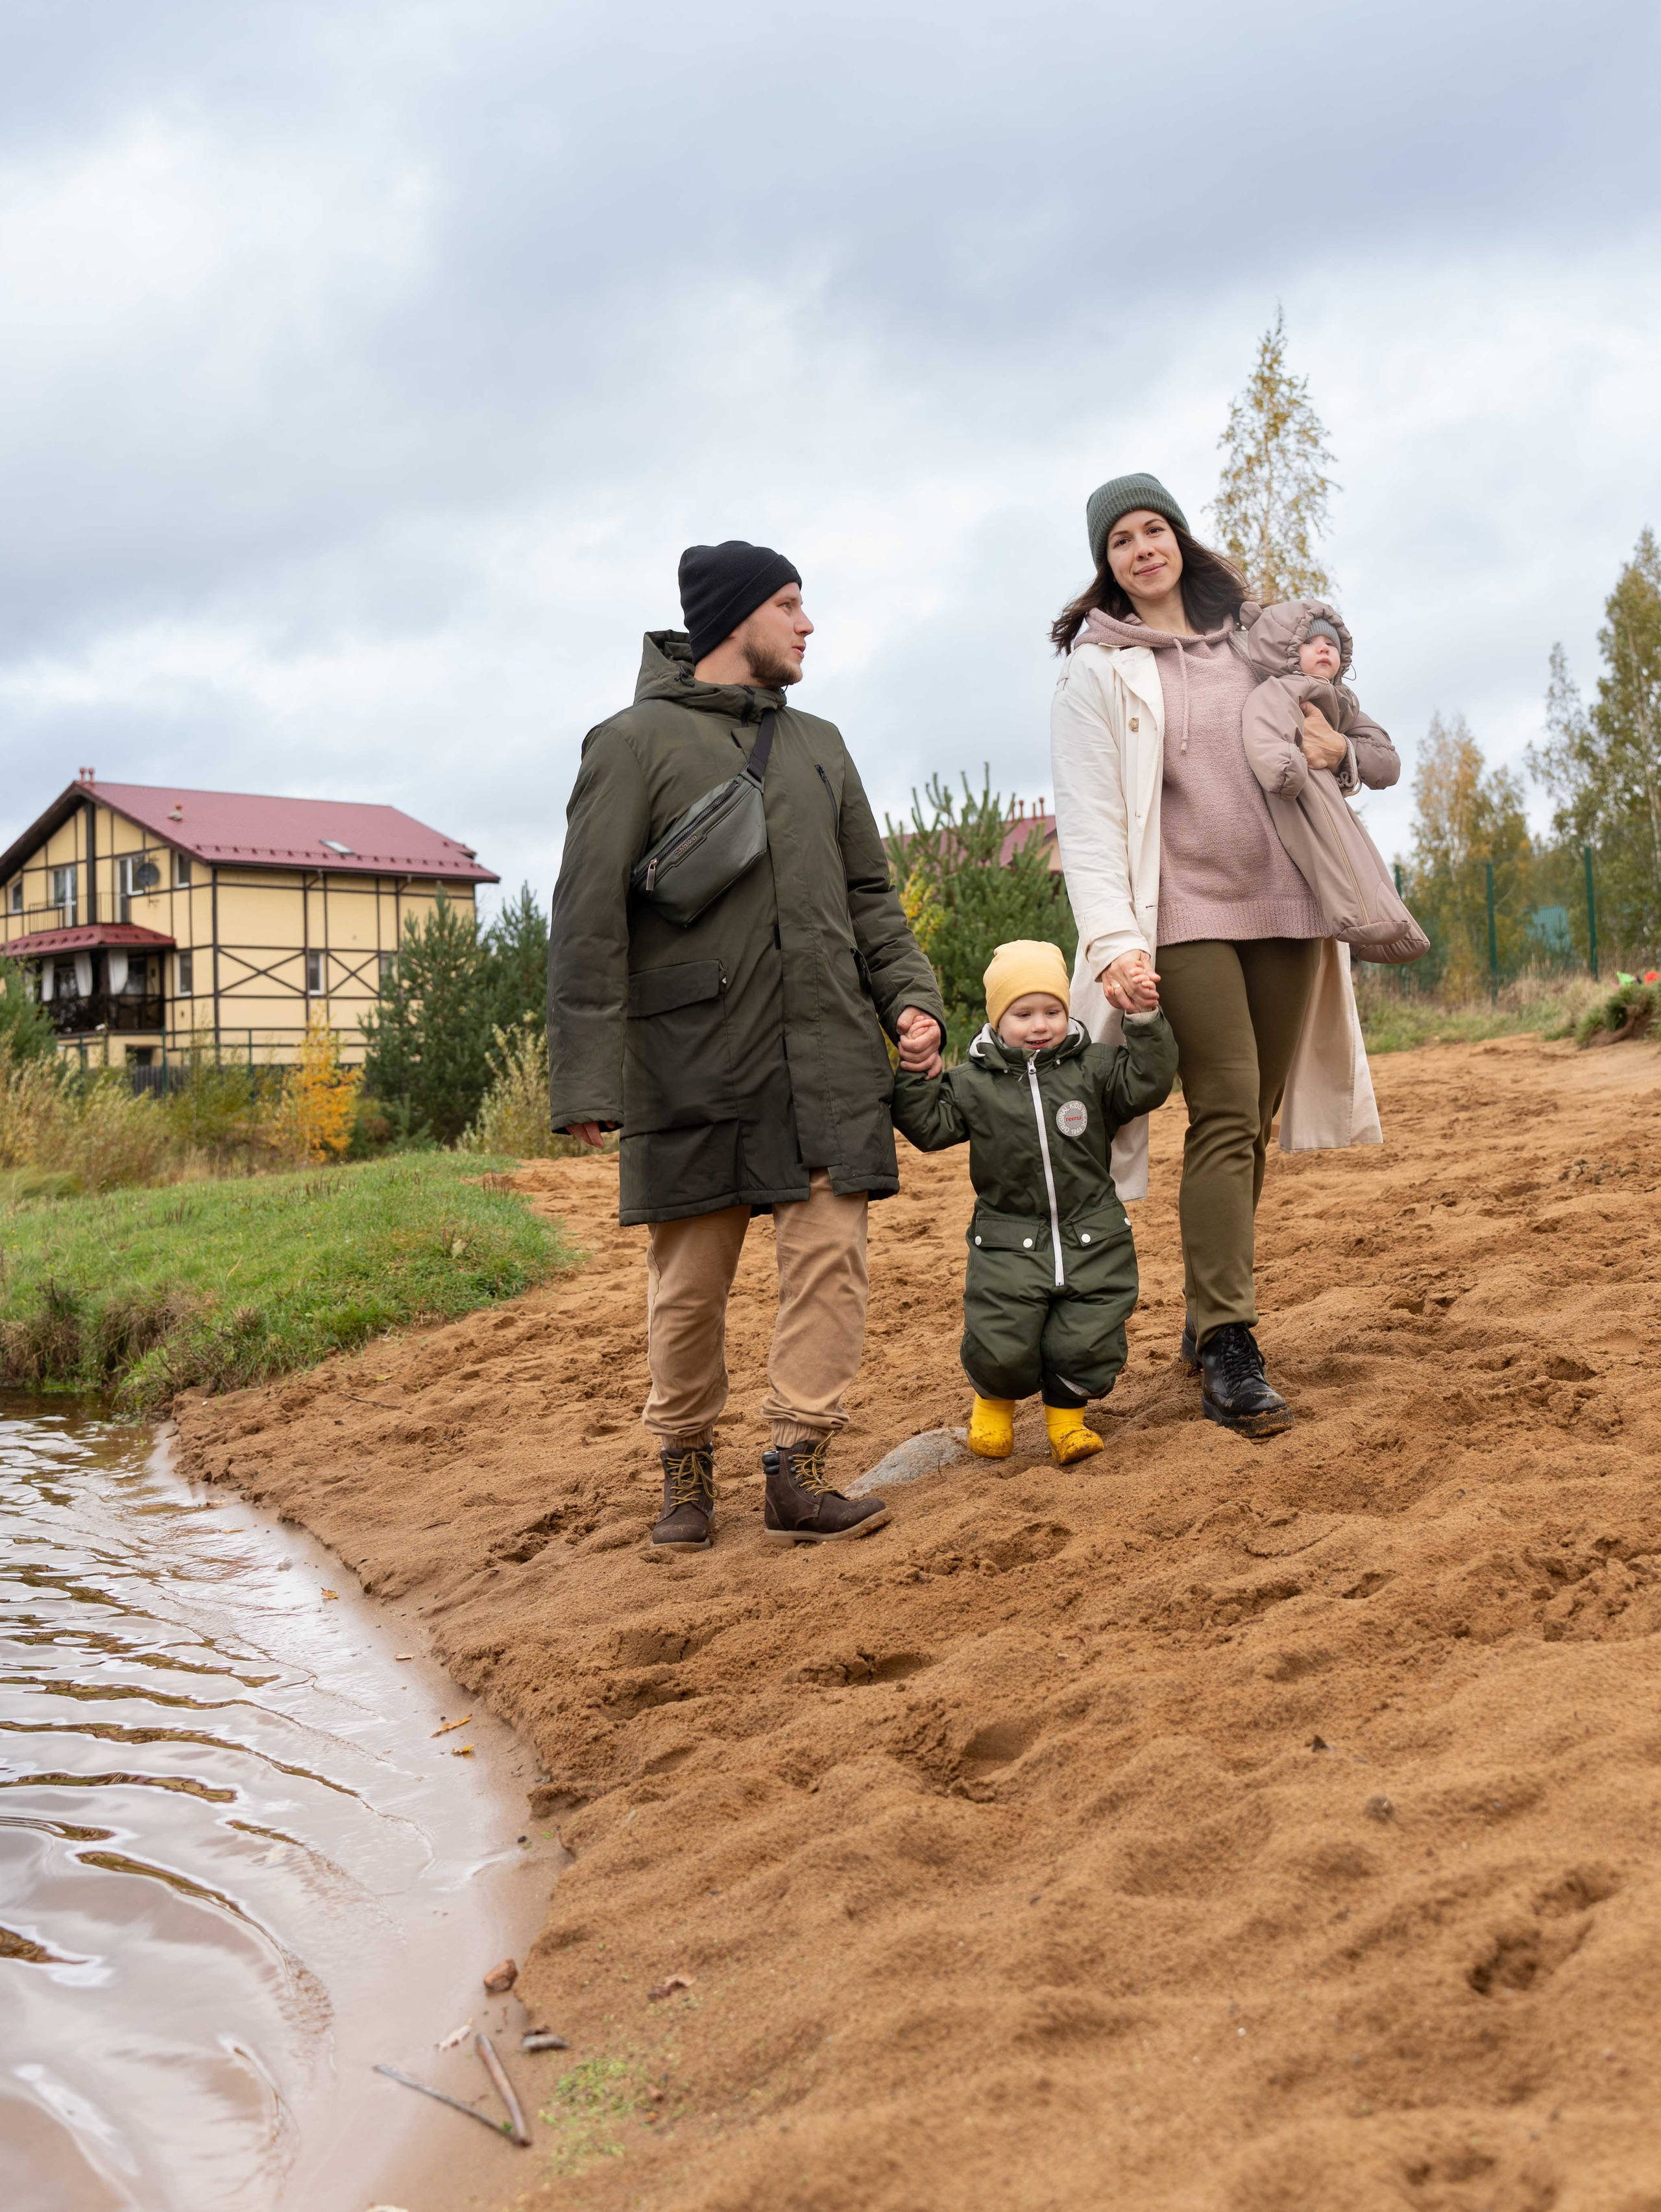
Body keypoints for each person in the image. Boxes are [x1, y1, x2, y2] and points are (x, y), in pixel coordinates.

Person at [548, 539, 947, 1552]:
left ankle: (798, 1468)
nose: (808, 625)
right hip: (693, 1057)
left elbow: (871, 898)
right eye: (790, 604)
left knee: (830, 1263)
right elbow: (586, 918)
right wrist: (588, 1077)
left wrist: (912, 998)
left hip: (827, 1053)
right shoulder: (629, 742)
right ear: (736, 620)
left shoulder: (821, 742)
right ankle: (685, 1472)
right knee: (688, 1287)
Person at [1049, 476, 1396, 1437]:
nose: (1142, 546)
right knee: (1228, 1103)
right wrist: (1115, 940)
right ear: (1106, 564)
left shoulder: (1257, 644)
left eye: (1154, 527)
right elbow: (1088, 819)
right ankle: (1231, 1342)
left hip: (1288, 902)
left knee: (1257, 1113)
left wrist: (1335, 751)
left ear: (1181, 539)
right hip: (1183, 912)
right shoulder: (1097, 671)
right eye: (1121, 538)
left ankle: (1208, 1319)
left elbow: (1343, 733)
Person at [891, 939, 1176, 1466]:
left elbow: (1148, 1083)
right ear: (998, 1020)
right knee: (1001, 1336)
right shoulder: (973, 1083)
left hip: (1092, 1232)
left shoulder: (1093, 1067)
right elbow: (928, 1127)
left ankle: (1067, 1422)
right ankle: (993, 1409)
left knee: (1089, 1336)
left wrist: (1144, 1020)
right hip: (1007, 1237)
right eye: (1023, 1013)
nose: (1040, 1025)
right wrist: (916, 1072)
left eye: (1053, 1011)